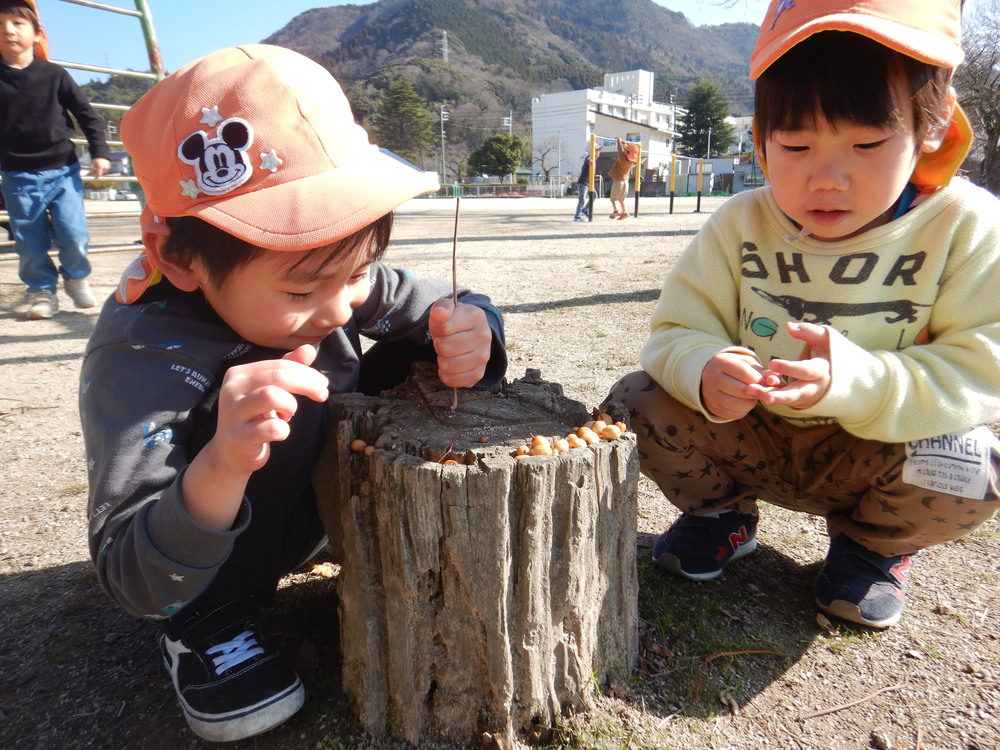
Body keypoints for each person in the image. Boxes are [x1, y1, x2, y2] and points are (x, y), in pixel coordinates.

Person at [79, 45, 506, 742]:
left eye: (360, 269)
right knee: (251, 433)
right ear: (182, 260)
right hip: (200, 558)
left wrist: (471, 328)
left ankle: (335, 533)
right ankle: (211, 619)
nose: (341, 307)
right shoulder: (145, 358)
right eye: (304, 289)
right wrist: (222, 462)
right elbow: (133, 573)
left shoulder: (330, 272)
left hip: (313, 499)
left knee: (413, 341)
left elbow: (433, 302)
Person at [603, 0, 1000, 630]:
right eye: (794, 144)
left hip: (873, 451)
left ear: (933, 126)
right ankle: (722, 518)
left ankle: (871, 549)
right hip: (752, 434)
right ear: (760, 138)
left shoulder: (966, 226)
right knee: (635, 402)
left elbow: (980, 370)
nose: (827, 179)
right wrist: (704, 367)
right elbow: (677, 330)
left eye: (867, 143)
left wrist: (861, 382)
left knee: (977, 463)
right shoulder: (740, 223)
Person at [0, 0, 110, 320]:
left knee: (74, 233)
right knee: (29, 240)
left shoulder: (54, 74)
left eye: (18, 23)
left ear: (37, 34)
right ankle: (42, 291)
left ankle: (76, 279)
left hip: (63, 170)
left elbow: (87, 116)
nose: (8, 30)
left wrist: (100, 152)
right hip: (18, 175)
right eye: (0, 23)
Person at [608, 136, 636, 219]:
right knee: (622, 200)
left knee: (613, 199)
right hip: (626, 182)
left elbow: (620, 151)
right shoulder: (632, 161)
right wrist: (625, 145)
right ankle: (624, 212)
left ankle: (616, 211)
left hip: (618, 182)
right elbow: (627, 152)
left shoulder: (622, 159)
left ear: (627, 153)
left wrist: (619, 141)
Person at [574, 150, 593, 221]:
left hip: (589, 183)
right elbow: (588, 160)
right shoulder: (588, 158)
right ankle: (577, 216)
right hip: (583, 182)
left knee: (594, 195)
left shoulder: (592, 158)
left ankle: (585, 209)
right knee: (582, 199)